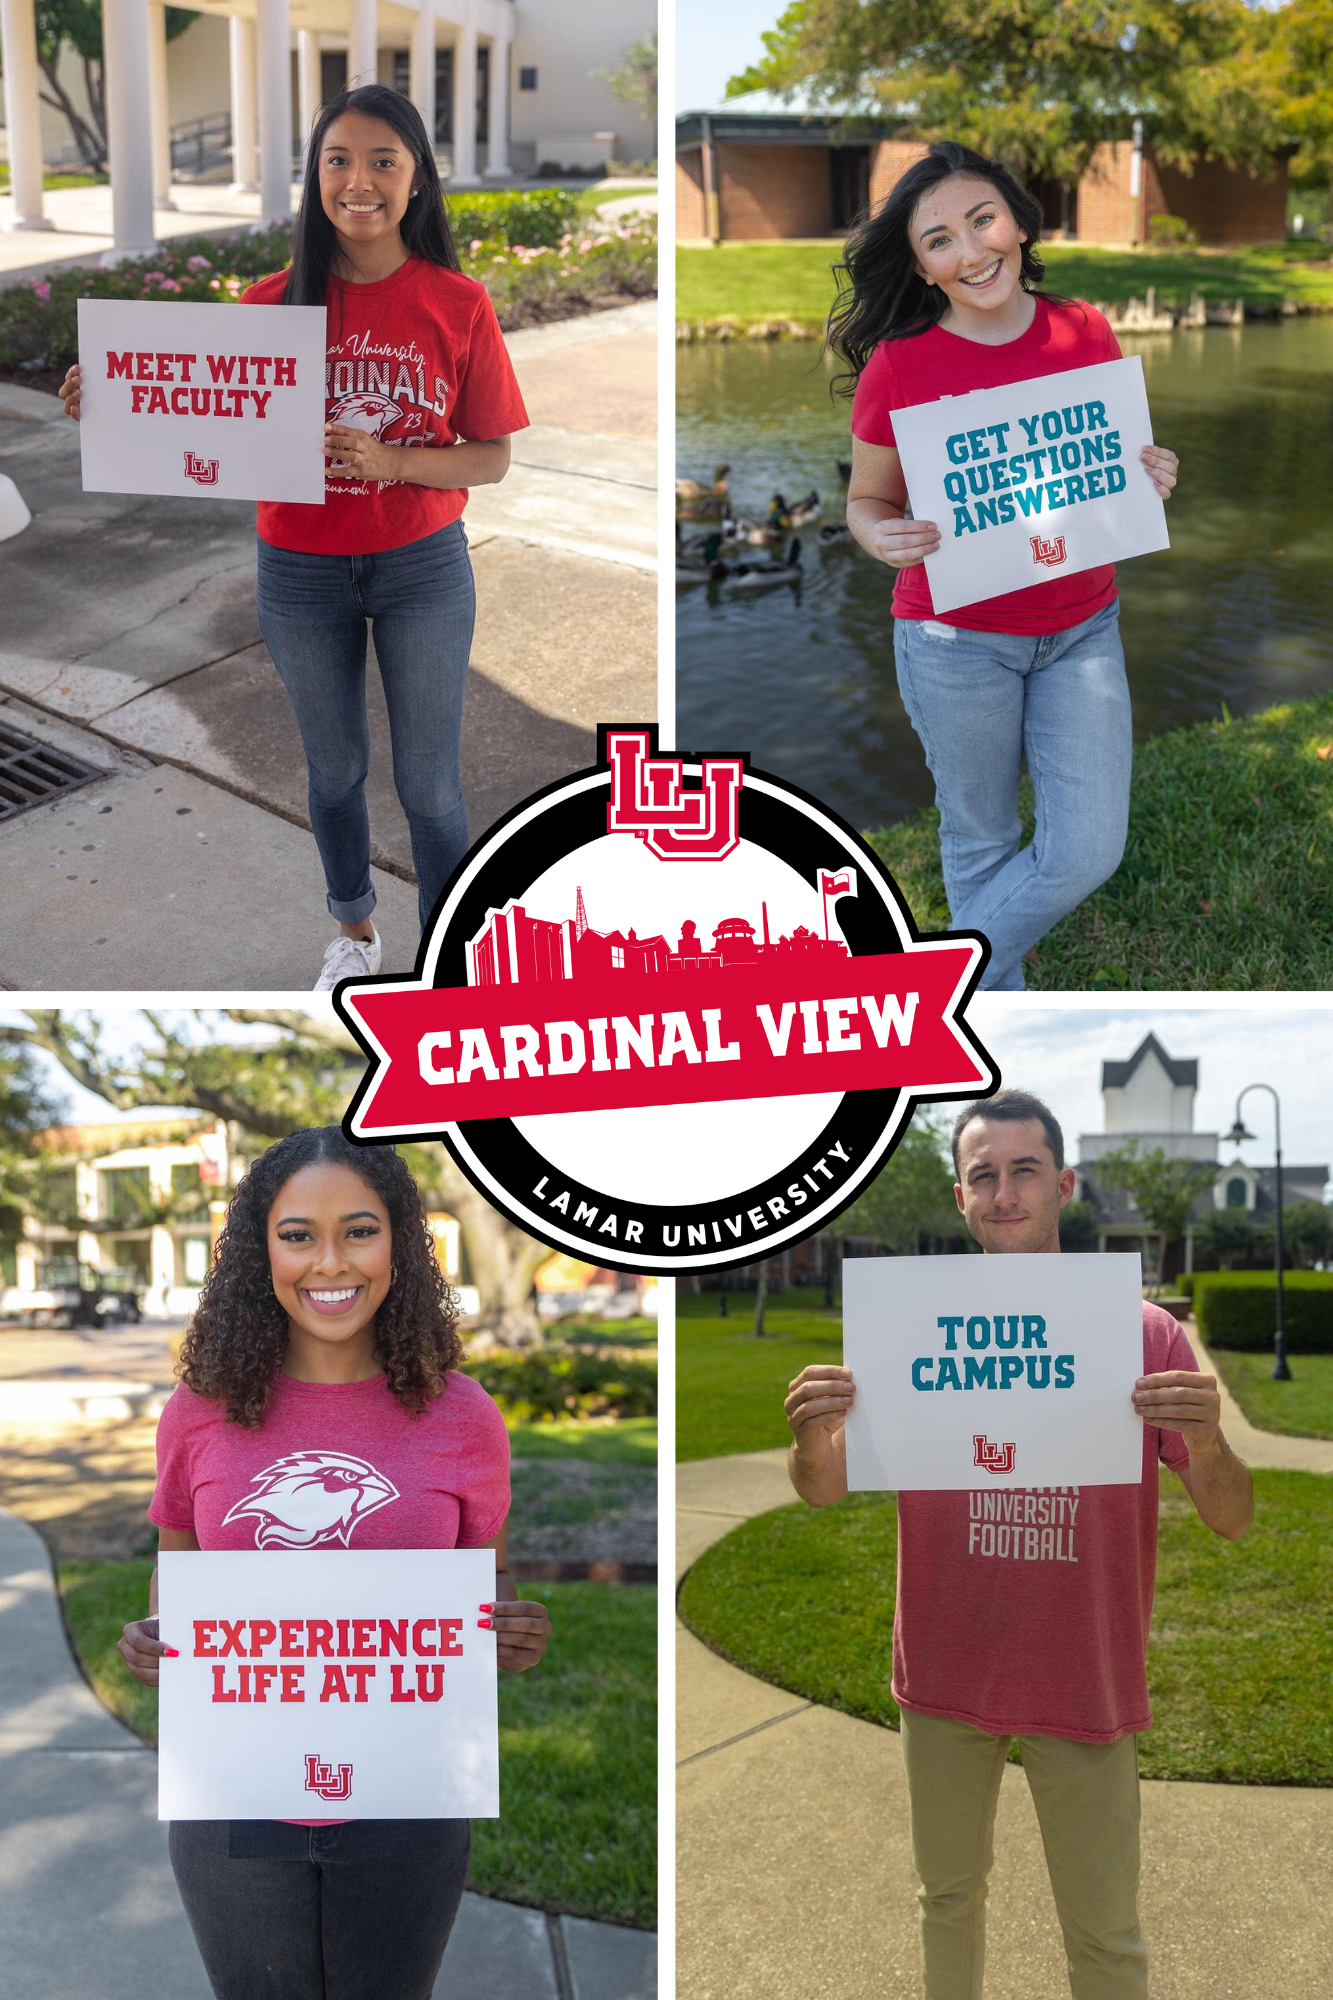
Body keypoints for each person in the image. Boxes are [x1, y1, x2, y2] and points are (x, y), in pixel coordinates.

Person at [784, 1088, 1252, 2000]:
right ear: (958, 1196)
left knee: (1106, 1936)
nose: (1003, 1193)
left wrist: (1207, 1439)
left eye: (1023, 1171)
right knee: (946, 1902)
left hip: (1085, 1672)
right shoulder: (903, 1328)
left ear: (1064, 1184)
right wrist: (808, 1438)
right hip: (945, 1670)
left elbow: (1230, 1518)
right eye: (982, 1175)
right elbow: (823, 1489)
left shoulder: (1144, 1332)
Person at [59, 84, 528, 990]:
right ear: (314, 178)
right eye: (338, 161)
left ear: (419, 181)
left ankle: (451, 963)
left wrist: (392, 462)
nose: (360, 181)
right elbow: (198, 415)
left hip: (421, 567)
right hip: (301, 572)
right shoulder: (268, 303)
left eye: (384, 161)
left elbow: (491, 458)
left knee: (429, 783)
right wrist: (107, 403)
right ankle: (354, 936)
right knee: (336, 768)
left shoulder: (457, 302)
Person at [117, 1125, 551, 2000]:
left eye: (358, 1229)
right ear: (258, 1252)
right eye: (296, 1234)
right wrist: (157, 1638)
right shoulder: (201, 1410)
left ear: (399, 1241)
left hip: (406, 1799)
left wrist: (512, 1627)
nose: (329, 1262)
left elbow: (485, 1578)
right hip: (237, 1795)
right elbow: (178, 1566)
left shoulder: (462, 1415)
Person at [830, 142, 1181, 991]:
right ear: (920, 267)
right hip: (954, 640)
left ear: (1019, 223)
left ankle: (930, 982)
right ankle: (995, 1006)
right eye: (939, 239)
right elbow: (865, 503)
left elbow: (1112, 460)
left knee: (1087, 849)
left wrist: (1151, 475)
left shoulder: (1083, 328)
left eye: (981, 219)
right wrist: (880, 537)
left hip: (1083, 628)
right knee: (978, 838)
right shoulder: (900, 365)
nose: (971, 249)